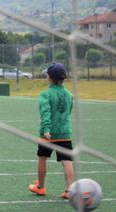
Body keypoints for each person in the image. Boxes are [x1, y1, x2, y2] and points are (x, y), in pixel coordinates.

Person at [28, 63, 74, 199]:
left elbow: (45, 113)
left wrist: (47, 129)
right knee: (67, 160)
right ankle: (69, 190)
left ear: (49, 77)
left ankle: (40, 187)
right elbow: (68, 112)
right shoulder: (69, 95)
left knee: (42, 158)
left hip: (48, 134)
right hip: (65, 133)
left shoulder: (45, 94)